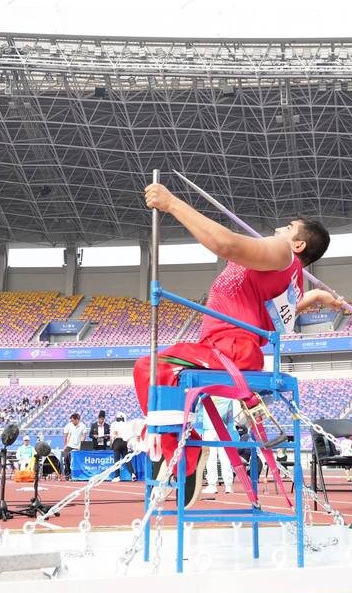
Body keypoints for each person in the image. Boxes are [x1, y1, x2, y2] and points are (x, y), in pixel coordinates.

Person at [134, 181, 334, 504]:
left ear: (297, 245)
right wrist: (318, 296)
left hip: (229, 348)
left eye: (286, 228)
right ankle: (177, 446)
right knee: (157, 373)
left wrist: (171, 204)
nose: (277, 229)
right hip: (228, 346)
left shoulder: (282, 253)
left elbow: (226, 245)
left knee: (149, 368)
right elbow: (279, 317)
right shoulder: (290, 280)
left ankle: (183, 453)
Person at [200, 395, 235, 495]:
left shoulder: (204, 395)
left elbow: (200, 414)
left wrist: (199, 430)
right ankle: (228, 485)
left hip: (209, 429)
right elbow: (230, 417)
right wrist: (230, 431)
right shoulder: (227, 397)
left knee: (211, 457)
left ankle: (212, 485)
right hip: (222, 428)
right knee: (225, 457)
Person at [61, 412, 87, 479]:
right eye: (71, 420)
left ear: (77, 420)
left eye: (73, 420)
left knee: (74, 459)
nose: (72, 421)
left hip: (78, 446)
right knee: (66, 458)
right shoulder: (69, 426)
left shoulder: (83, 426)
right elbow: (66, 436)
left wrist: (80, 446)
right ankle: (67, 474)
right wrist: (65, 445)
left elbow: (84, 436)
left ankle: (75, 474)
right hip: (70, 445)